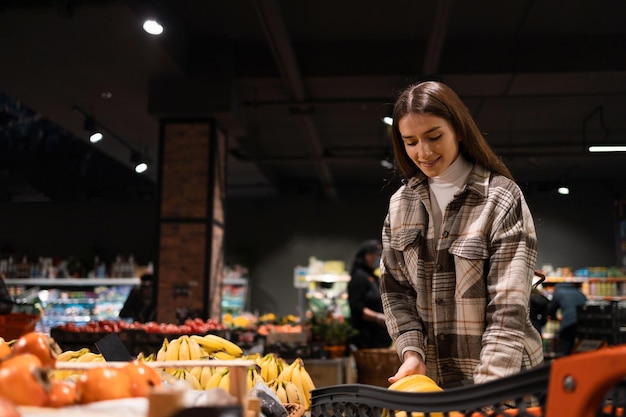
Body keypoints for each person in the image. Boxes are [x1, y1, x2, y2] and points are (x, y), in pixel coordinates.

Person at [379, 81, 544, 389]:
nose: (423, 152)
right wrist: (412, 352)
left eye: (434, 136)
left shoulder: (500, 197)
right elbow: (395, 291)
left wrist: (485, 393)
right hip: (435, 384)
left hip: (503, 383)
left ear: (458, 129)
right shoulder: (401, 204)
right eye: (410, 141)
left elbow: (508, 308)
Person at [347, 239, 392, 349]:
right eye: (376, 255)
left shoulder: (372, 277)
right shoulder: (359, 277)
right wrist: (378, 317)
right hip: (366, 339)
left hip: (378, 338)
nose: (378, 258)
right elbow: (356, 306)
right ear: (367, 256)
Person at [546, 282, 587, 356]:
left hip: (569, 322)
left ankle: (566, 362)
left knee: (567, 344)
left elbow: (552, 308)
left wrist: (552, 317)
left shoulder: (558, 292)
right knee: (581, 346)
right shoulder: (578, 291)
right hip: (584, 321)